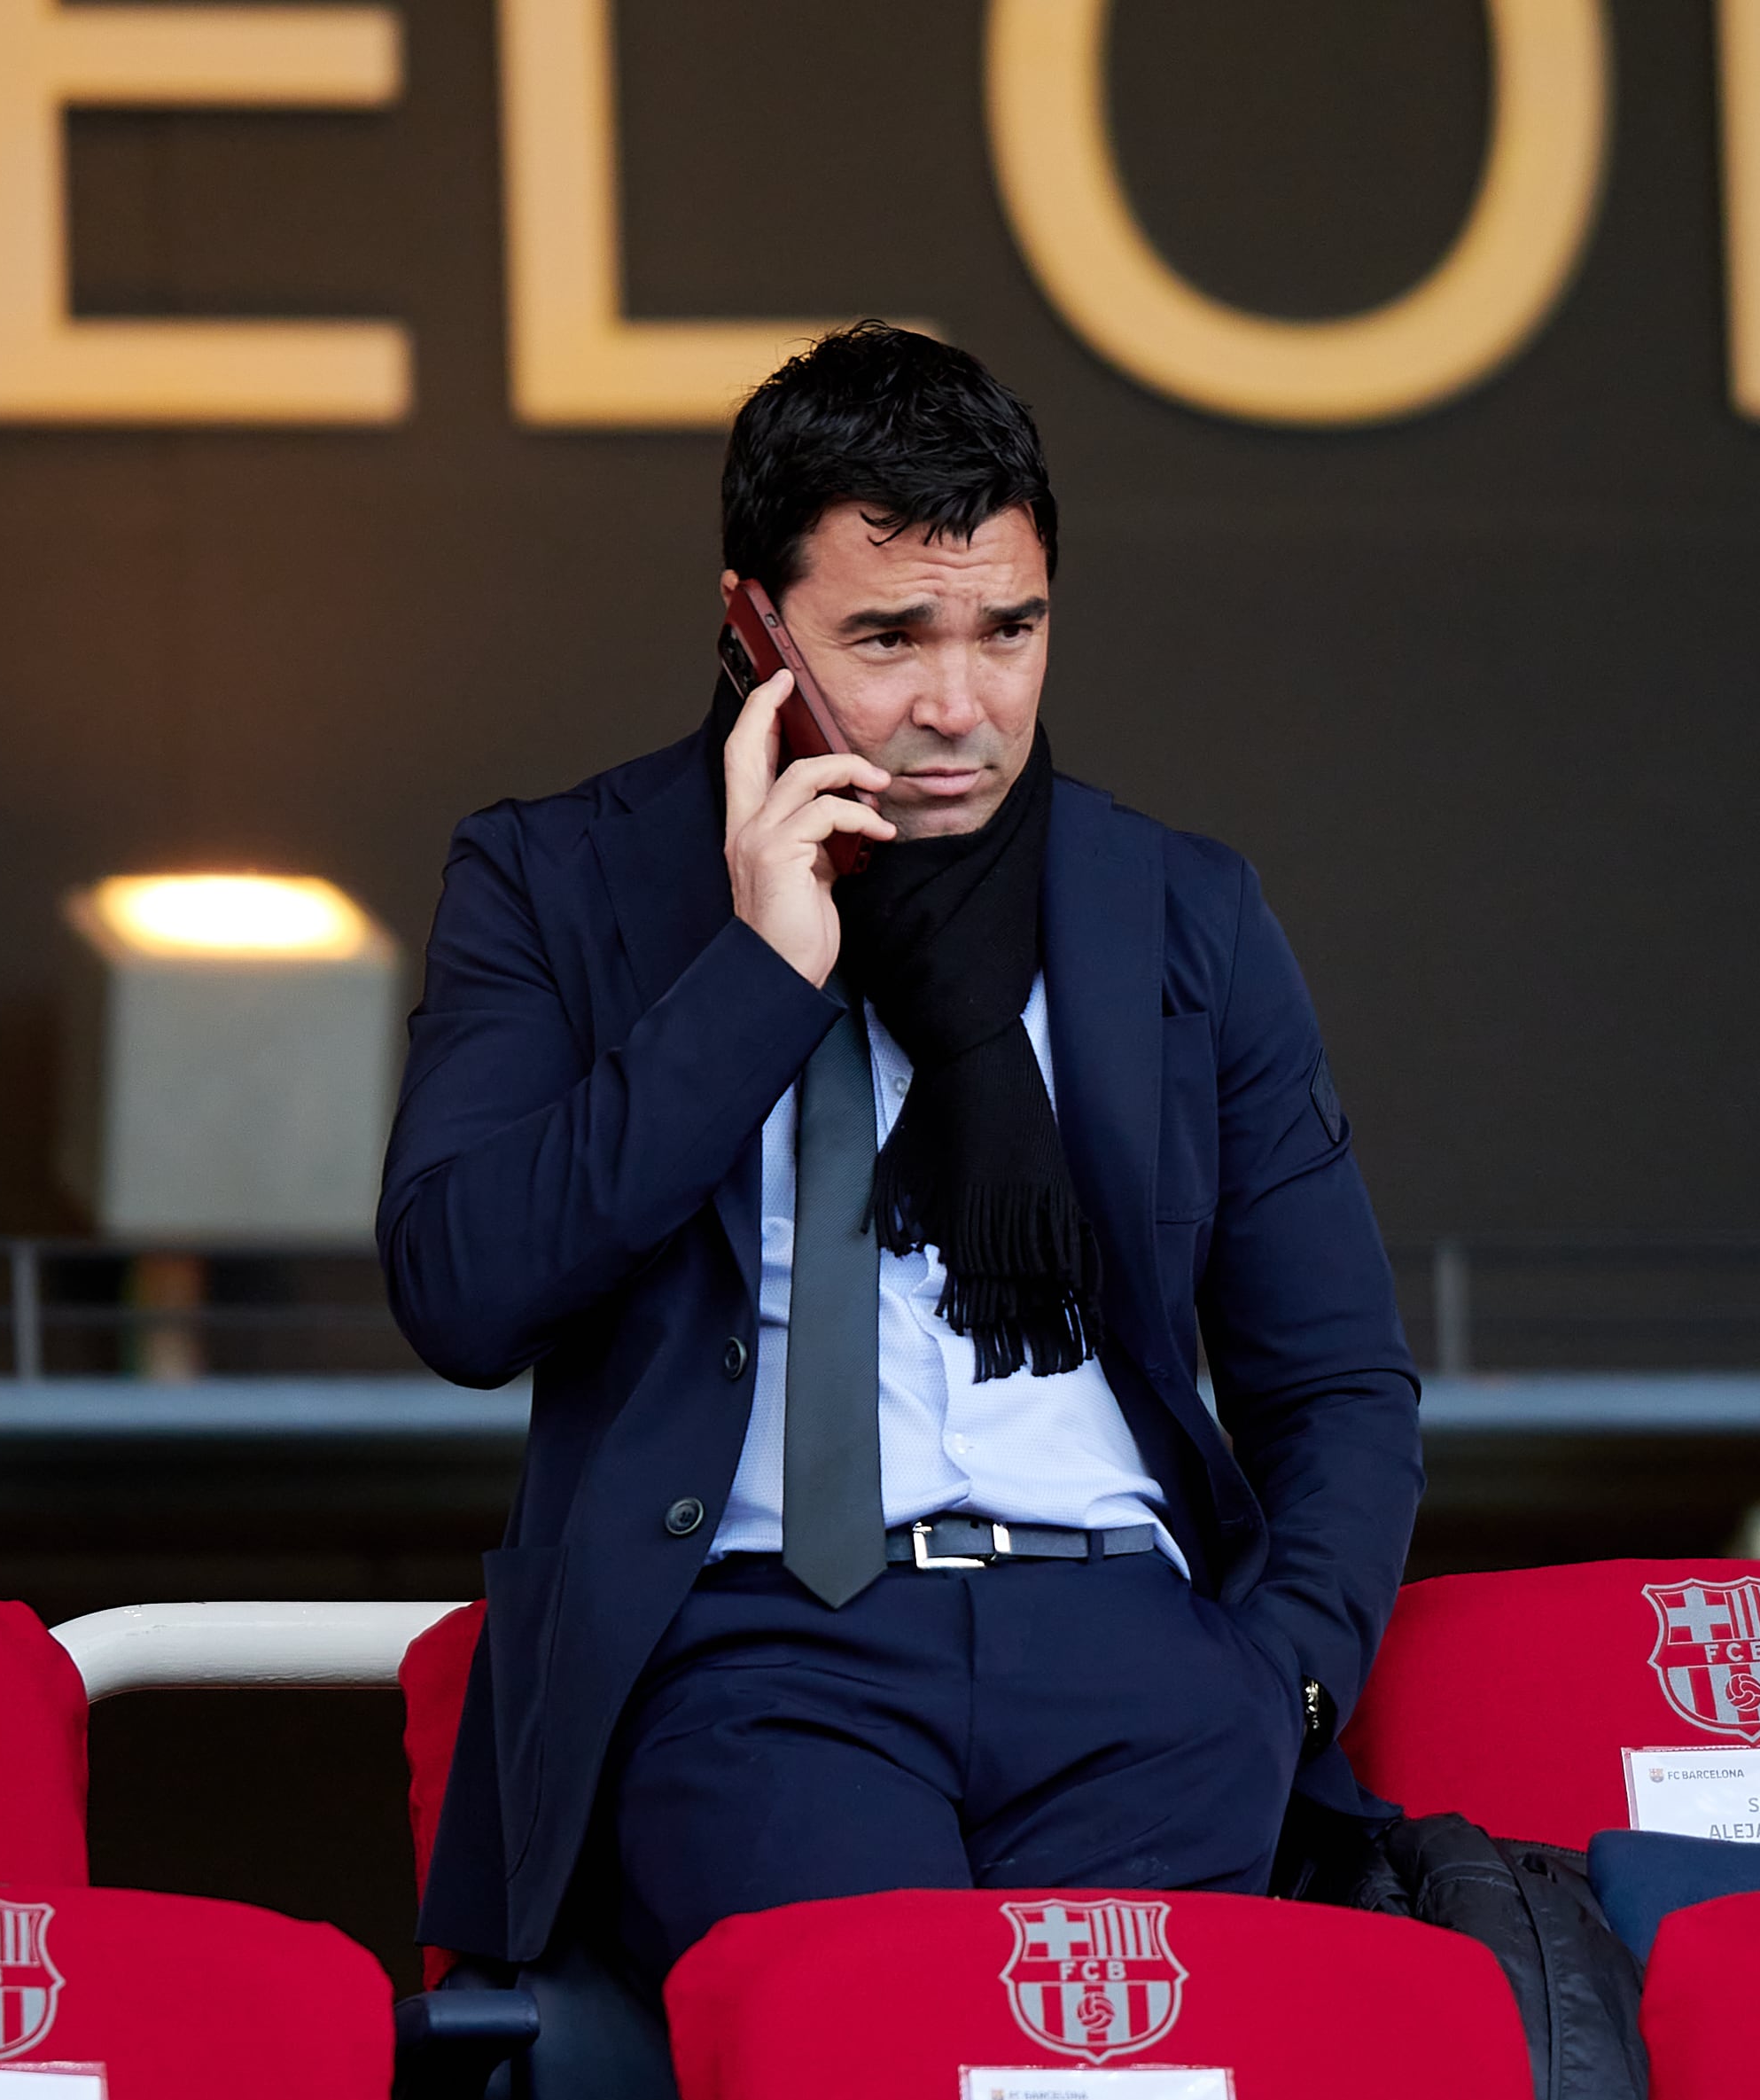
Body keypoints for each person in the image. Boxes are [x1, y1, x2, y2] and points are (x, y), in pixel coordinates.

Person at [382, 324, 1419, 1984]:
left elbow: (1342, 1383)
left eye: (1011, 630)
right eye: (888, 635)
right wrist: (757, 976)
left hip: (1138, 1651)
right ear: (753, 623)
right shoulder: (559, 879)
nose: (959, 705)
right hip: (760, 1648)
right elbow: (459, 1292)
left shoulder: (1175, 909)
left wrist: (1277, 1674)